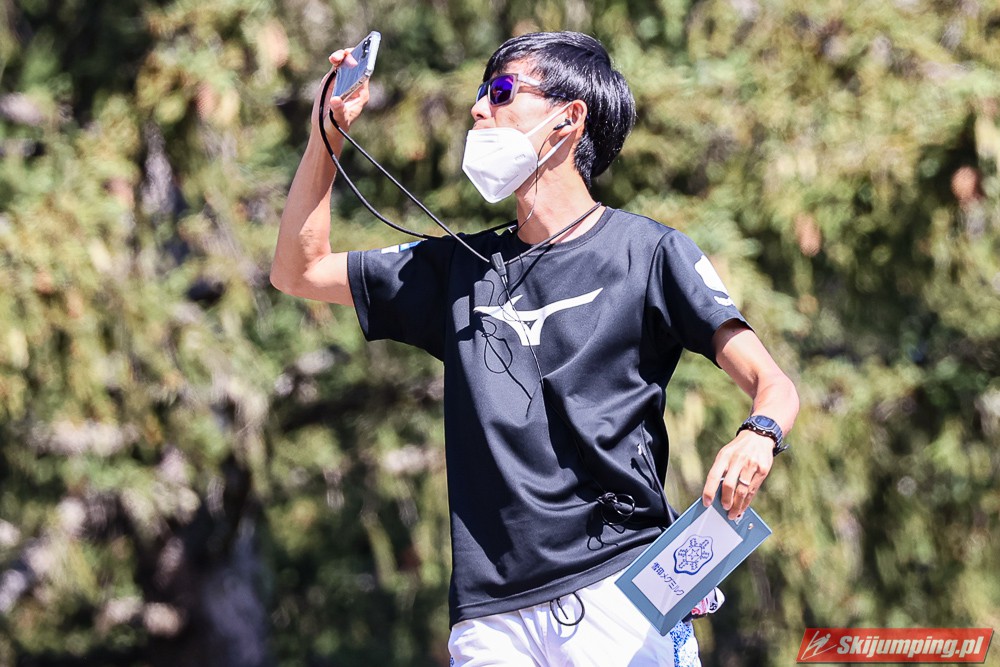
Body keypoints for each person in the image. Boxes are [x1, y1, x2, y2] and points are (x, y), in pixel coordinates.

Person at [271, 30, 799, 667]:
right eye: (479, 93)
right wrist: (325, 133)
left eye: (500, 91)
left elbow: (774, 385)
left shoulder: (648, 252)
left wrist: (758, 434)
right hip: (490, 618)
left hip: (619, 591)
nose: (477, 109)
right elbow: (299, 270)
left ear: (568, 119)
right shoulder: (457, 268)